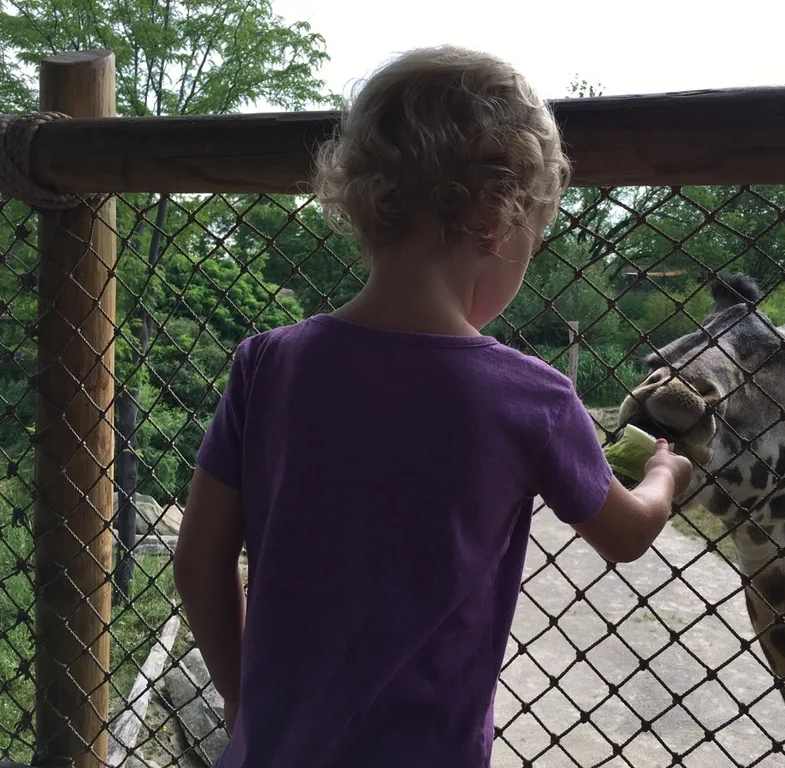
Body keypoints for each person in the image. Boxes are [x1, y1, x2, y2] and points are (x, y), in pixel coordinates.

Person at [173, 44, 693, 768]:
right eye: (534, 240)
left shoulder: (267, 363)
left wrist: (241, 703)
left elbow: (199, 563)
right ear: (497, 216)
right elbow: (626, 533)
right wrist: (665, 474)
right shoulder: (531, 396)